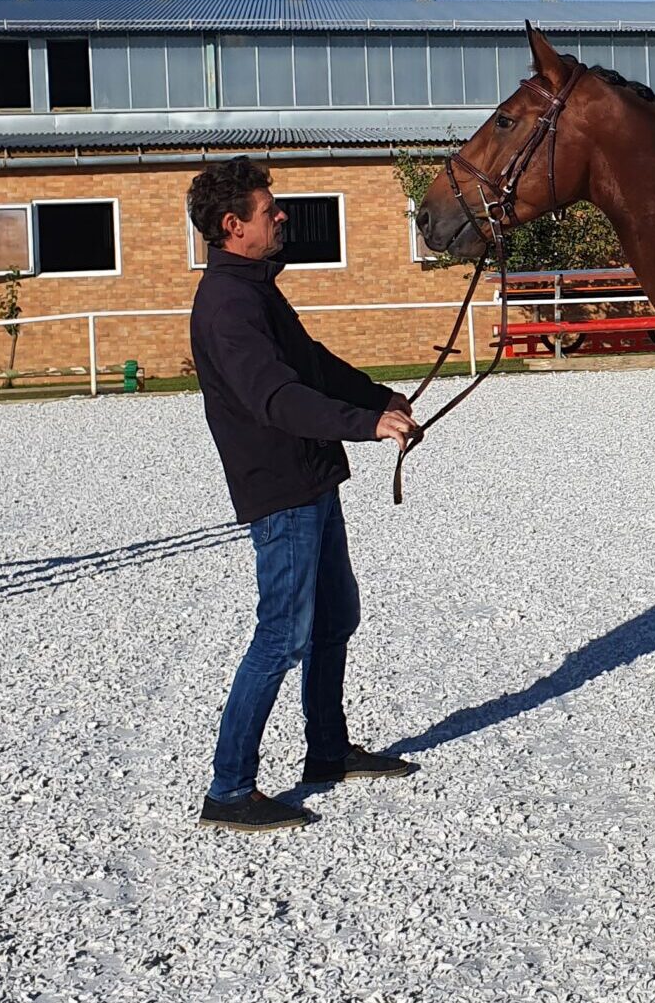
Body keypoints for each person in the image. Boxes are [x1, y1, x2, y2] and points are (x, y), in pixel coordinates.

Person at [188, 157, 422, 833]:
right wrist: (364, 425)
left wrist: (379, 398)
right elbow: (276, 397)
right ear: (234, 226)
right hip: (281, 489)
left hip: (312, 477)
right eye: (269, 209)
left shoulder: (256, 290)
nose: (281, 214)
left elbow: (311, 365)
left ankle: (326, 750)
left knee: (334, 617)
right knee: (280, 636)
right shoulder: (228, 304)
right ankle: (229, 789)